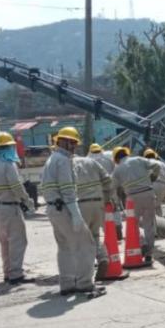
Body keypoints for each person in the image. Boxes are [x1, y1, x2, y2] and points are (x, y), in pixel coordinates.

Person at [41, 127, 105, 296]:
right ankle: (85, 283)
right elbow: (67, 190)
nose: (74, 147)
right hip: (64, 208)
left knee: (65, 247)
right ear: (65, 142)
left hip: (53, 208)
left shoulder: (52, 159)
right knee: (86, 244)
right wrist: (76, 215)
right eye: (73, 143)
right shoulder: (63, 160)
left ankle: (67, 283)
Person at [0, 132, 35, 285]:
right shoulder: (8, 164)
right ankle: (16, 274)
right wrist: (27, 201)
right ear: (9, 147)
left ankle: (7, 272)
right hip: (9, 207)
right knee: (18, 240)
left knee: (5, 242)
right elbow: (16, 186)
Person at [111, 147, 163, 263]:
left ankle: (142, 243)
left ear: (116, 158)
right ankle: (149, 253)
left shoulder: (117, 169)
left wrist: (115, 201)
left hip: (132, 198)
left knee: (132, 223)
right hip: (148, 193)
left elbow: (112, 188)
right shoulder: (139, 160)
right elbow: (157, 165)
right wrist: (154, 176)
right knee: (149, 224)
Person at [74, 154, 114, 281]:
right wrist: (107, 197)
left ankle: (84, 273)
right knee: (95, 235)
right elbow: (107, 180)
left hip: (81, 204)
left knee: (80, 239)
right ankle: (103, 258)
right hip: (98, 202)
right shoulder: (92, 162)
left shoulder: (69, 164)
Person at [143, 148, 165, 216]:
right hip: (162, 185)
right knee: (158, 205)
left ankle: (150, 223)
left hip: (150, 185)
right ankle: (159, 220)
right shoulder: (162, 164)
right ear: (154, 156)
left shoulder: (144, 164)